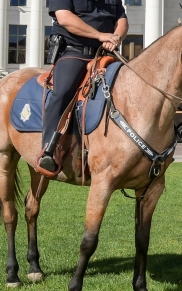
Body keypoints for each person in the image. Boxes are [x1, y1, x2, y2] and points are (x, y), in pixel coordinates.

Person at [38, 0, 129, 173]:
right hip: (74, 53)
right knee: (62, 92)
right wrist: (100, 35)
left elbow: (122, 21)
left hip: (106, 54)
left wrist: (116, 37)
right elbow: (64, 18)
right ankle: (48, 150)